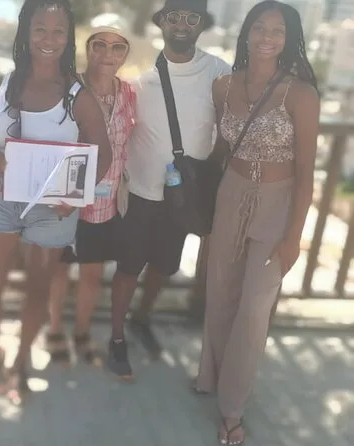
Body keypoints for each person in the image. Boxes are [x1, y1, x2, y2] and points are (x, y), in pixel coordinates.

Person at [194, 2, 320, 444]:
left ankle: (232, 408)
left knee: (253, 309)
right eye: (259, 27)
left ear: (289, 39)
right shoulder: (223, 86)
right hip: (231, 194)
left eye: (277, 31)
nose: (267, 36)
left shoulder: (300, 94)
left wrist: (294, 237)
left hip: (278, 201)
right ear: (246, 32)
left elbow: (306, 171)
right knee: (220, 293)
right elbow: (219, 149)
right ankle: (210, 375)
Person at [0, 0, 112, 401]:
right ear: (26, 32)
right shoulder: (3, 83)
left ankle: (20, 362)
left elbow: (103, 152)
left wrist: (76, 197)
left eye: (58, 31)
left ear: (68, 38)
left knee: (37, 291)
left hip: (53, 209)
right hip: (3, 199)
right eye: (40, 29)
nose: (48, 39)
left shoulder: (75, 94)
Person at [107, 0, 231, 378]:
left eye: (191, 18)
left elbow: (228, 129)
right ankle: (116, 337)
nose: (182, 24)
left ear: (202, 25)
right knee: (129, 268)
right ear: (161, 22)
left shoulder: (218, 72)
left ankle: (142, 319)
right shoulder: (138, 73)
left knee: (164, 265)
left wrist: (207, 175)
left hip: (185, 196)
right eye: (174, 17)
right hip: (142, 190)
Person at [46, 20, 136, 365]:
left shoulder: (130, 94)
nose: (108, 53)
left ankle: (82, 332)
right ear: (87, 48)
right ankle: (55, 329)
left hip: (104, 201)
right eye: (100, 44)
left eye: (117, 46)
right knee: (58, 269)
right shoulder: (67, 89)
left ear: (126, 53)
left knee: (92, 273)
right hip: (64, 198)